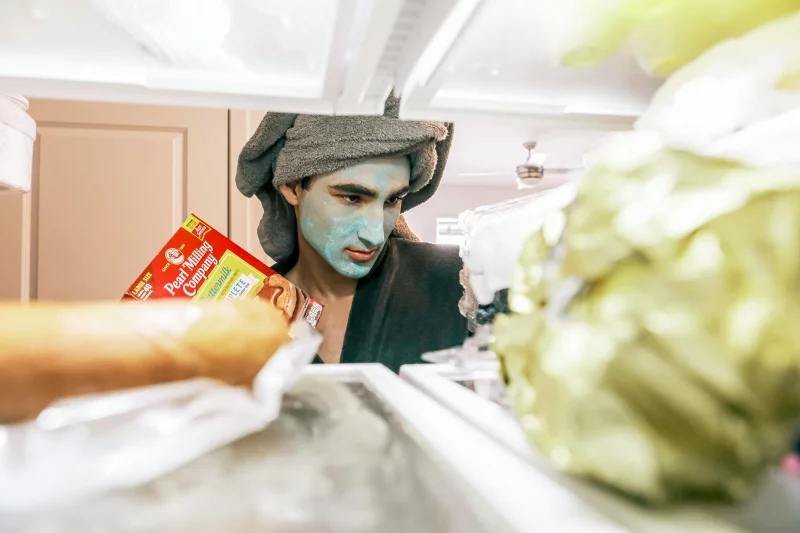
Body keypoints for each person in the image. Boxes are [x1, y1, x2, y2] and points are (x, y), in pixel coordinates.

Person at [236, 94, 467, 371]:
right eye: (352, 198)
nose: (375, 235)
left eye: (392, 200)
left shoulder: (460, 281)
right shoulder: (247, 313)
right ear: (293, 186)